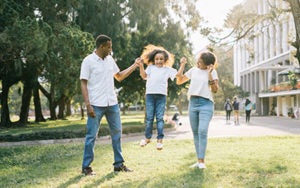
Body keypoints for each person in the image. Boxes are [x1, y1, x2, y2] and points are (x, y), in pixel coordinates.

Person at [80, 34, 139, 175]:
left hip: (112, 103)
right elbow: (83, 82)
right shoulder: (88, 61)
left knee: (117, 133)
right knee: (91, 136)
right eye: (109, 47)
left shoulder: (110, 60)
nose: (111, 49)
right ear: (102, 46)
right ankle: (86, 167)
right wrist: (88, 105)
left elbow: (119, 76)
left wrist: (135, 65)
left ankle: (119, 164)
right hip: (96, 104)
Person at [176, 51, 219, 169]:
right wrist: (182, 65)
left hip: (206, 104)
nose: (198, 63)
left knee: (202, 131)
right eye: (198, 60)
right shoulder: (193, 70)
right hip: (193, 104)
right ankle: (199, 161)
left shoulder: (213, 72)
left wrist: (209, 74)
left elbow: (215, 90)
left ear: (208, 64)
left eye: (200, 62)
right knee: (195, 133)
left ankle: (202, 162)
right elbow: (179, 81)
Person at [138, 48, 177, 150]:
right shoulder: (150, 68)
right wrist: (141, 66)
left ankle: (160, 141)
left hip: (161, 96)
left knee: (160, 118)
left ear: (165, 60)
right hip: (150, 95)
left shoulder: (167, 69)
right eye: (157, 59)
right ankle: (147, 138)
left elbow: (177, 75)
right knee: (149, 118)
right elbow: (143, 76)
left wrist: (182, 64)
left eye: (161, 59)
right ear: (153, 60)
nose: (159, 61)